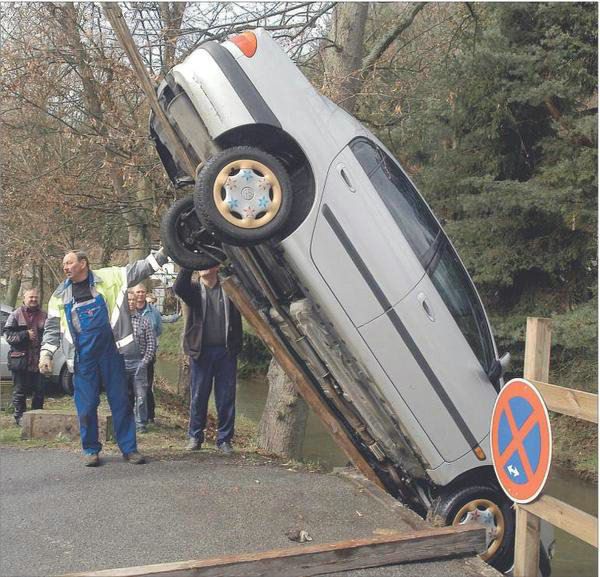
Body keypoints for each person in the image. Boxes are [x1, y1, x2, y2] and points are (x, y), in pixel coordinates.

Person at [38, 249, 167, 467]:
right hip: (83, 359)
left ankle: (129, 449)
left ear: (83, 263)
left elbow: (141, 268)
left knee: (121, 403)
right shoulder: (59, 296)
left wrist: (167, 251)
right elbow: (51, 329)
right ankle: (91, 450)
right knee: (86, 407)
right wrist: (46, 354)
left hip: (112, 354)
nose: (65, 267)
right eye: (63, 265)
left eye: (69, 263)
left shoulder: (110, 277)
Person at [173, 266, 242, 453]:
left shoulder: (229, 288)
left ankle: (224, 440)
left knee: (226, 398)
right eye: (200, 265)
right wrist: (188, 262)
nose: (203, 267)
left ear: (216, 266)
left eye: (207, 263)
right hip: (201, 353)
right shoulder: (194, 290)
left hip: (226, 352)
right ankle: (195, 437)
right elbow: (179, 287)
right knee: (199, 396)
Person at [3, 288, 47, 426]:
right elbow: (8, 335)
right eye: (30, 297)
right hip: (20, 359)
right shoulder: (15, 314)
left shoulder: (44, 315)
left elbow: (50, 334)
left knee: (40, 391)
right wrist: (24, 335)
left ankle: (38, 418)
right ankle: (19, 419)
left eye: (35, 297)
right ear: (24, 298)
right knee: (19, 391)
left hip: (38, 359)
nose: (33, 300)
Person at [125, 291, 156, 433]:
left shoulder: (144, 321)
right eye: (128, 300)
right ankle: (125, 421)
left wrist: (145, 361)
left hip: (140, 361)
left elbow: (151, 343)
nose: (131, 302)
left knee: (142, 395)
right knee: (124, 395)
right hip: (122, 362)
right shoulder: (119, 322)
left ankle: (141, 423)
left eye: (133, 300)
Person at [131, 284, 162, 424]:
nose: (140, 294)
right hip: (130, 357)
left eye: (143, 292)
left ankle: (149, 415)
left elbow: (159, 330)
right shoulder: (127, 312)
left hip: (148, 354)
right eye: (138, 292)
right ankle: (132, 415)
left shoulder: (153, 312)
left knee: (147, 386)